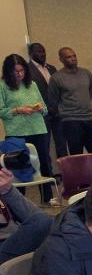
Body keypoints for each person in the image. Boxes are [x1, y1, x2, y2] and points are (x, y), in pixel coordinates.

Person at [0, 54, 55, 203]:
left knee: (43, 164)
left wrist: (39, 109)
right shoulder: (2, 86)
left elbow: (45, 109)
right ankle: (18, 202)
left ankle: (47, 198)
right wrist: (18, 110)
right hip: (16, 132)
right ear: (8, 71)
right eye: (15, 71)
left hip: (38, 128)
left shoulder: (32, 85)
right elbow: (1, 111)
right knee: (18, 168)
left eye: (22, 70)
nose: (19, 74)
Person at [46, 48, 92, 157]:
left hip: (88, 119)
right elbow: (53, 101)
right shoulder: (56, 78)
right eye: (68, 57)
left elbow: (89, 92)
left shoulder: (86, 73)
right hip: (70, 121)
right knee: (76, 155)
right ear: (61, 59)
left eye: (74, 56)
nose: (73, 59)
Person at [28, 42, 67, 158]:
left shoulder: (52, 68)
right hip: (41, 114)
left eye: (43, 51)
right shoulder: (27, 69)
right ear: (31, 54)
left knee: (62, 144)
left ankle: (65, 171)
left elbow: (58, 89)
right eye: (39, 51)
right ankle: (47, 174)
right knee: (44, 145)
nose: (42, 54)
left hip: (56, 111)